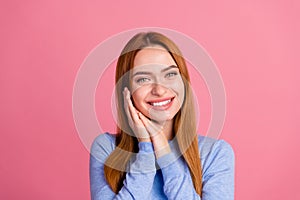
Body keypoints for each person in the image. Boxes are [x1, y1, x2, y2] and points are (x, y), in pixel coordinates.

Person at [89, 31, 235, 200]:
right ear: (126, 92)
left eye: (170, 74)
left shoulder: (215, 153)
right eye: (143, 79)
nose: (159, 89)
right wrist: (146, 148)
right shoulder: (106, 149)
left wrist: (164, 152)